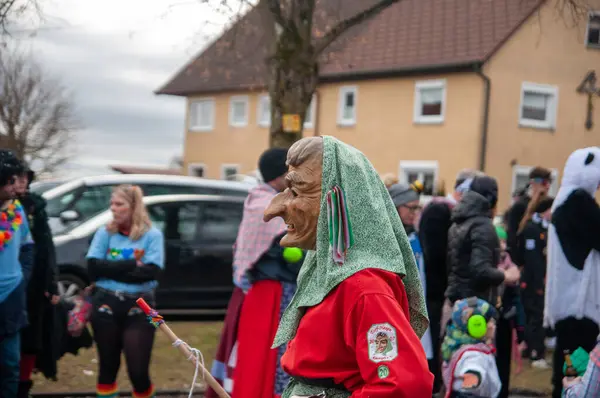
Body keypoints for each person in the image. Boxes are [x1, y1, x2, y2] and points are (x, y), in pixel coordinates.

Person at [264, 136, 433, 397]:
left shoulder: (365, 288)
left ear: (338, 202)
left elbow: (402, 384)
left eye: (297, 191)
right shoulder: (325, 273)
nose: (273, 210)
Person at [218, 148, 303, 398]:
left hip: (265, 291)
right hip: (271, 291)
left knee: (263, 354)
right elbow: (281, 252)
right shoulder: (270, 204)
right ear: (280, 175)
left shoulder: (258, 199)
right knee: (267, 353)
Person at [86, 185, 164, 398]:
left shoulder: (152, 235)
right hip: (105, 304)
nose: (113, 208)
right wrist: (132, 263)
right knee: (107, 370)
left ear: (134, 207)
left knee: (138, 372)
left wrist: (109, 268)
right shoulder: (105, 232)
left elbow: (151, 273)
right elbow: (92, 267)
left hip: (141, 307)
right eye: (112, 204)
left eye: (119, 204)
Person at [418, 169, 483, 394]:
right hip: (436, 290)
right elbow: (435, 254)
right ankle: (435, 381)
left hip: (444, 288)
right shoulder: (439, 211)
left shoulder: (451, 213)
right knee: (437, 336)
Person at [544, 147, 600, 398]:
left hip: (566, 305)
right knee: (578, 372)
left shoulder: (563, 200)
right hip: (580, 306)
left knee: (568, 368)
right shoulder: (578, 202)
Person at [13, 165, 59, 397]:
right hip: (11, 279)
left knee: (31, 338)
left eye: (25, 178)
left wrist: (51, 282)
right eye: (17, 178)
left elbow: (46, 247)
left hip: (34, 284)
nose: (21, 183)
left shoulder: (35, 207)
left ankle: (23, 384)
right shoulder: (9, 207)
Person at [445, 175, 520, 306]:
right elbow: (481, 270)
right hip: (476, 306)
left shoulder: (458, 221)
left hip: (457, 301)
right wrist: (506, 275)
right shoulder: (482, 225)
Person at [387, 182, 435, 378]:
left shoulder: (414, 236)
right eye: (411, 207)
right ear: (395, 206)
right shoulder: (388, 238)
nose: (415, 212)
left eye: (418, 208)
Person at [0, 150, 34, 397]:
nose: (16, 186)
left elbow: (28, 247)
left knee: (10, 365)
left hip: (11, 299)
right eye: (11, 180)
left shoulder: (16, 210)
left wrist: (21, 277)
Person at [518, 197, 553, 369]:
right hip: (533, 281)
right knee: (535, 316)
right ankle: (535, 353)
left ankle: (530, 348)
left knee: (535, 315)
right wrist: (539, 281)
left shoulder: (544, 228)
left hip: (539, 278)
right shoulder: (532, 228)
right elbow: (533, 259)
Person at [441, 297, 501, 398]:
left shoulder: (460, 347)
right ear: (475, 325)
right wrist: (473, 379)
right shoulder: (473, 356)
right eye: (490, 321)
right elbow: (472, 376)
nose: (493, 325)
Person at [494, 225, 526, 398]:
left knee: (504, 362)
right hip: (492, 319)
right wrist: (505, 275)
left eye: (504, 240)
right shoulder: (492, 263)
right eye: (500, 240)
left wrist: (521, 329)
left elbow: (516, 295)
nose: (503, 244)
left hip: (506, 319)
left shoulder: (508, 261)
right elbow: (507, 275)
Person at [505, 166, 553, 266]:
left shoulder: (550, 204)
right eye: (544, 183)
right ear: (533, 183)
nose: (547, 186)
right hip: (525, 259)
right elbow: (512, 236)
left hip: (545, 258)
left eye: (549, 183)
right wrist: (517, 263)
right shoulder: (520, 206)